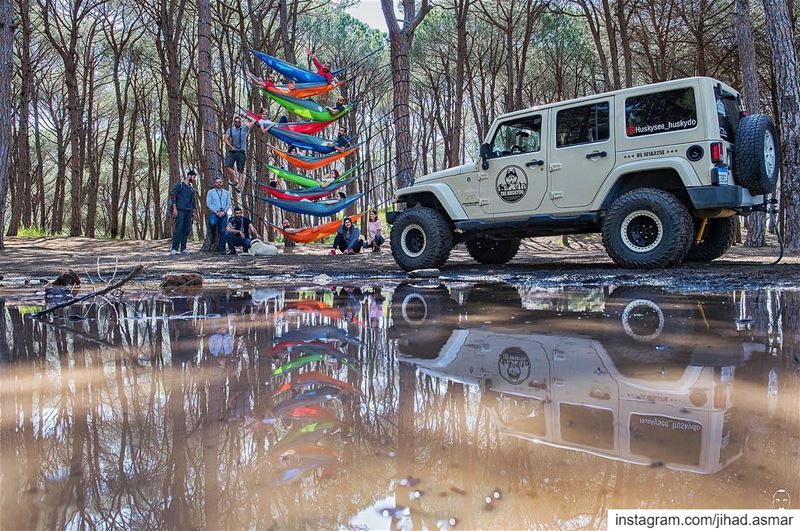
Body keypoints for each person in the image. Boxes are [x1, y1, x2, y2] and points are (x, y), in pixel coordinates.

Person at [169, 169, 198, 255]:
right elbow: (173, 197)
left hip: (188, 212)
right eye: (193, 177)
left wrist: (194, 212)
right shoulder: (179, 186)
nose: (194, 179)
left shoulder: (191, 189)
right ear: (189, 176)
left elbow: (193, 202)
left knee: (186, 230)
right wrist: (174, 209)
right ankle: (174, 248)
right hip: (180, 210)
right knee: (178, 229)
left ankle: (183, 248)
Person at [223, 115, 255, 191]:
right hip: (233, 151)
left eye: (239, 121)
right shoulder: (230, 130)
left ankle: (239, 186)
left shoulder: (245, 128)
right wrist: (230, 146)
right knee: (227, 165)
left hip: (241, 151)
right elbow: (225, 139)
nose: (237, 123)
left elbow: (253, 121)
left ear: (241, 122)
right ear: (234, 122)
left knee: (240, 170)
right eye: (236, 121)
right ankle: (236, 180)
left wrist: (246, 116)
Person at [206, 177, 232, 254]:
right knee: (212, 223)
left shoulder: (227, 193)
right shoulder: (210, 192)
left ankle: (221, 248)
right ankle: (213, 236)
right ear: (214, 183)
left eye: (220, 182)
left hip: (224, 213)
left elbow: (229, 203)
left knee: (222, 231)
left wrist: (224, 211)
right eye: (217, 182)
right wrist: (216, 211)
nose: (219, 184)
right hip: (214, 213)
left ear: (222, 183)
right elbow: (208, 203)